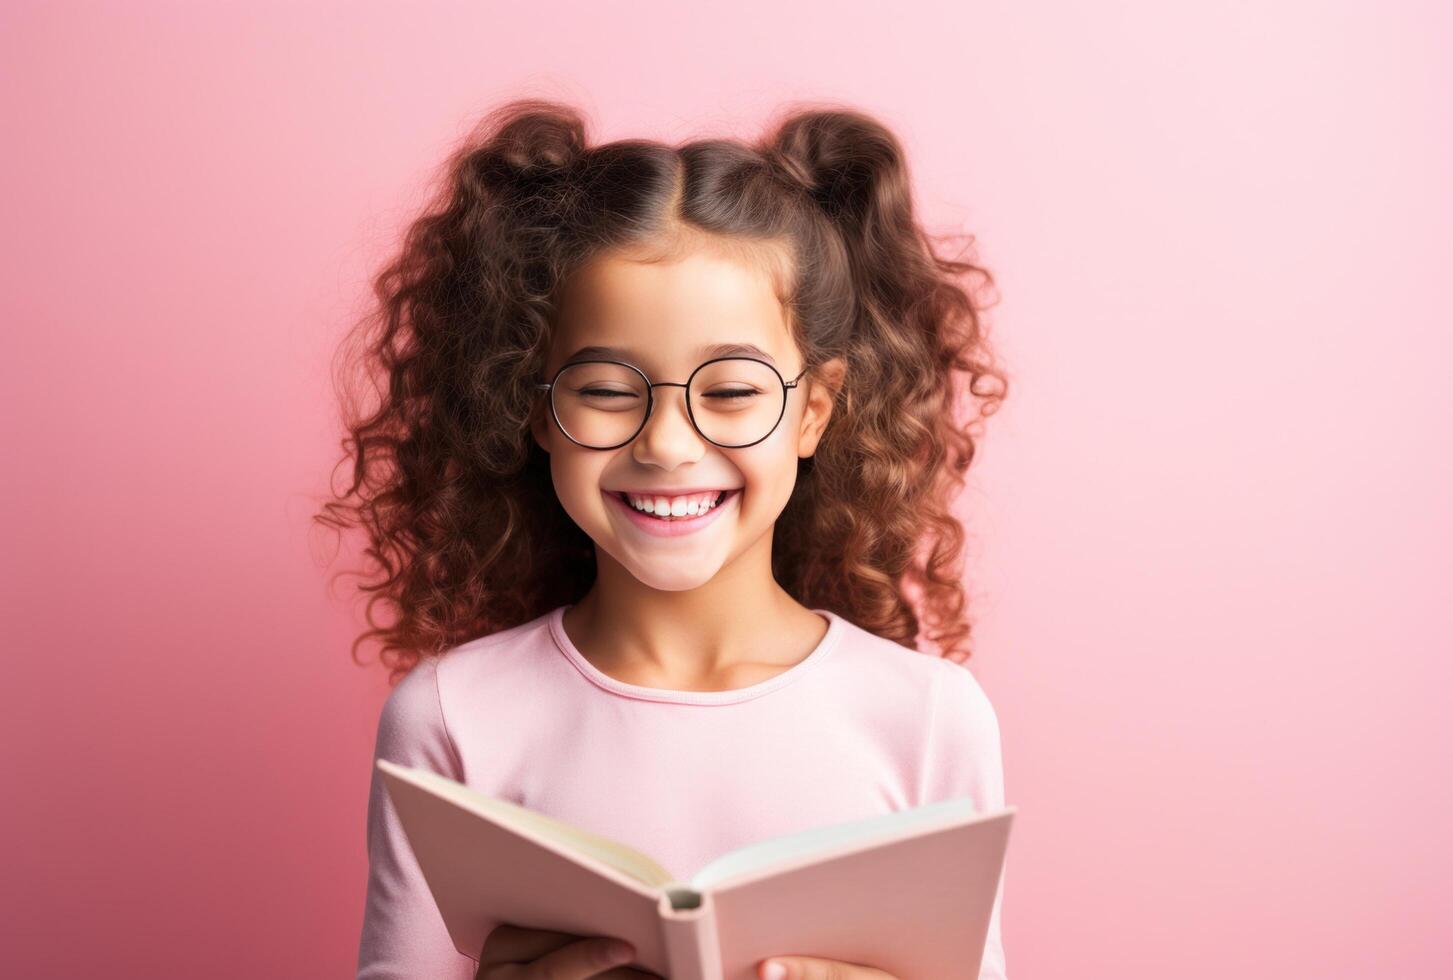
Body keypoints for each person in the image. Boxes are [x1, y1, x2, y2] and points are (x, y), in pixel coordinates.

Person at [319, 96, 1012, 980]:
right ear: (538, 412)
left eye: (729, 391)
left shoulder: (925, 718)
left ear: (814, 411)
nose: (667, 445)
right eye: (606, 390)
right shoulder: (452, 720)